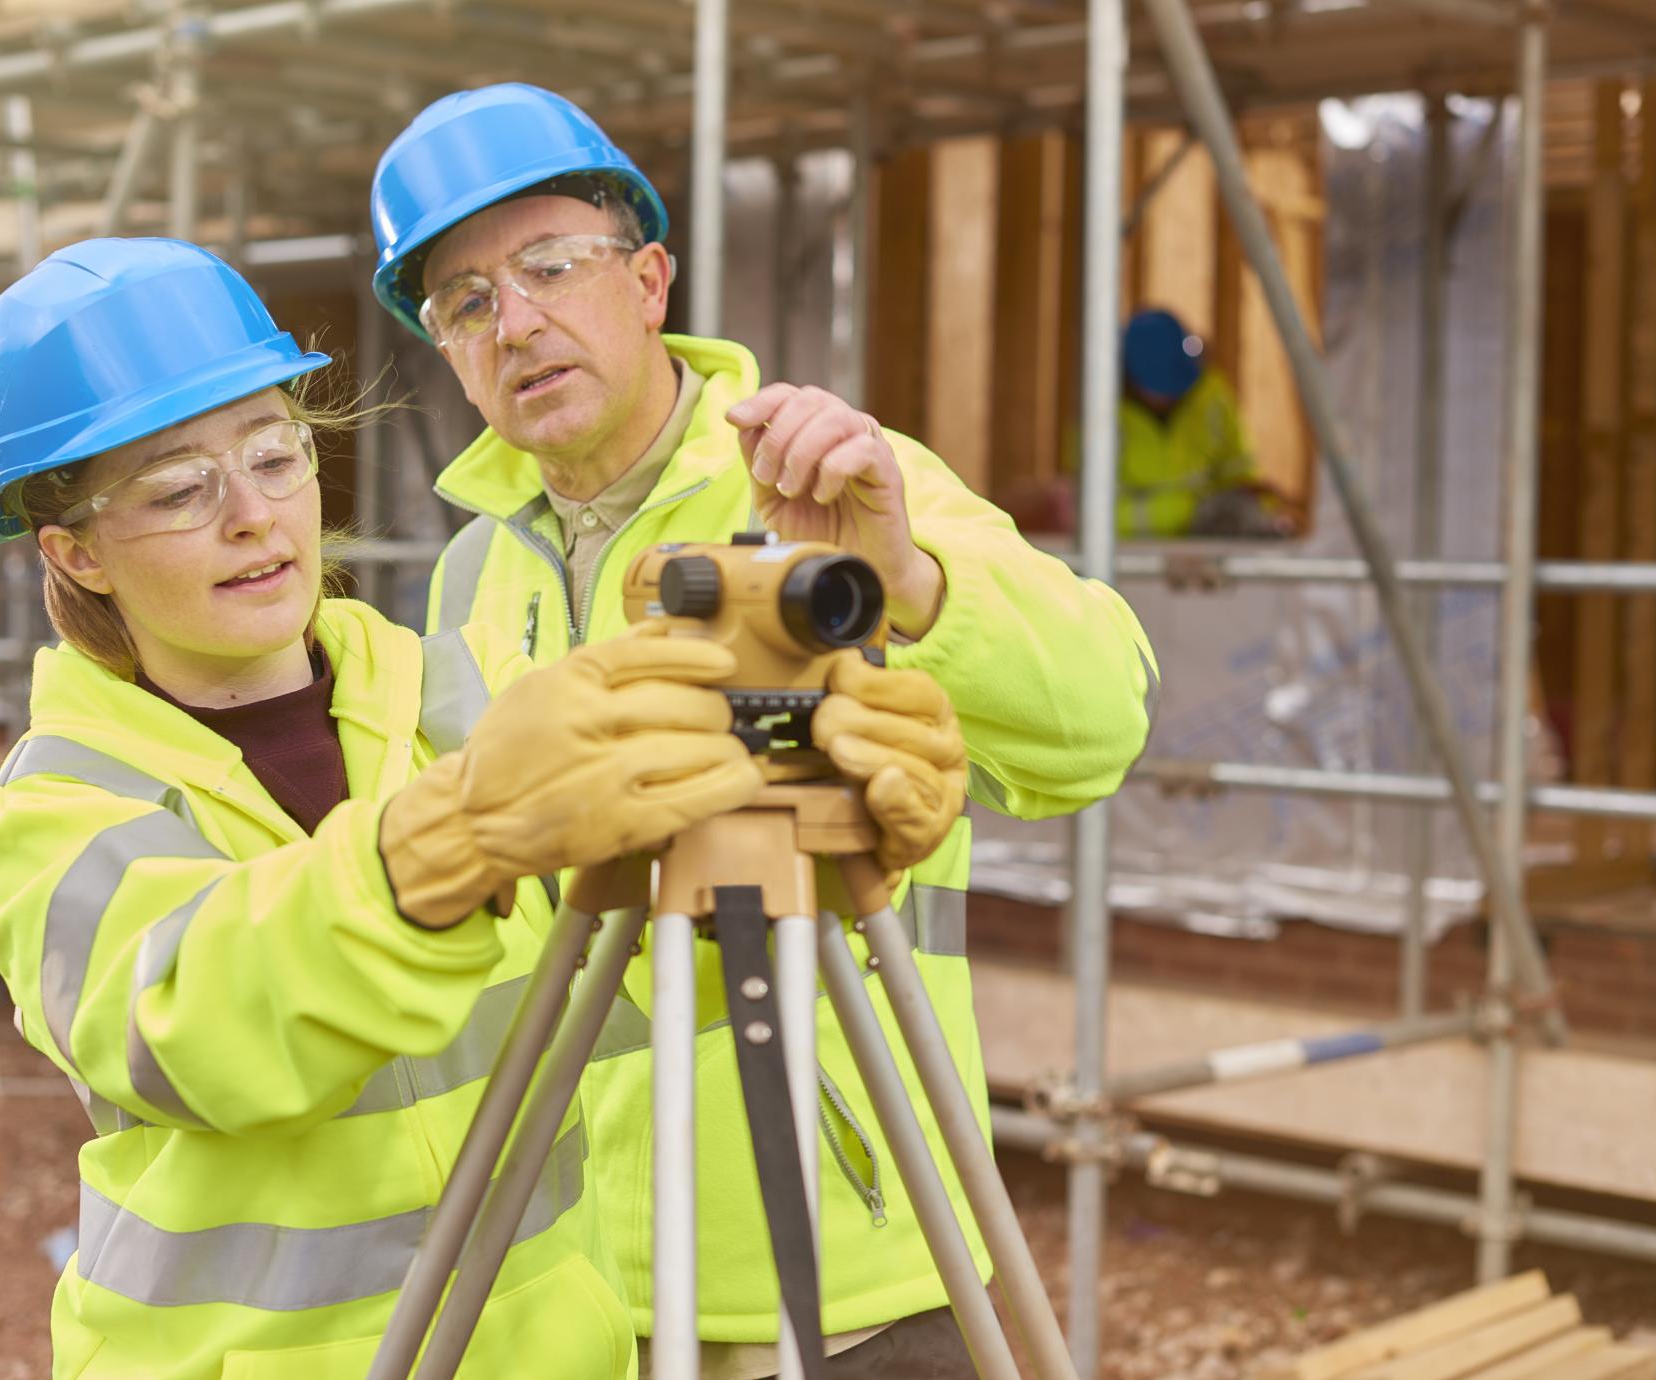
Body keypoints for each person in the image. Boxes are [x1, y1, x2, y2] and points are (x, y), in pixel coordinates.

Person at [370, 85, 1160, 1379]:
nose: (515, 321)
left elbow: (1099, 723)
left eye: (550, 265)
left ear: (650, 279)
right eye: (464, 301)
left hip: (846, 1272)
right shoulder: (467, 577)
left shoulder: (831, 486)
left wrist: (908, 578)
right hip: (565, 1278)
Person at [0, 237, 796, 1380]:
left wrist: (796, 826)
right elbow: (200, 1029)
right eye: (179, 490)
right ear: (76, 553)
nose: (253, 516)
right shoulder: (54, 809)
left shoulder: (460, 692)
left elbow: (627, 983)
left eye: (274, 456)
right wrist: (437, 848)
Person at [1099, 308, 1291, 539]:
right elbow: (1093, 511)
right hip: (1129, 553)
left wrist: (1258, 507)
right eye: (1159, 385)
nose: (1171, 395)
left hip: (1209, 545)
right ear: (1130, 377)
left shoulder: (1210, 397)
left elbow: (1239, 473)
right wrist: (1190, 511)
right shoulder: (1102, 413)